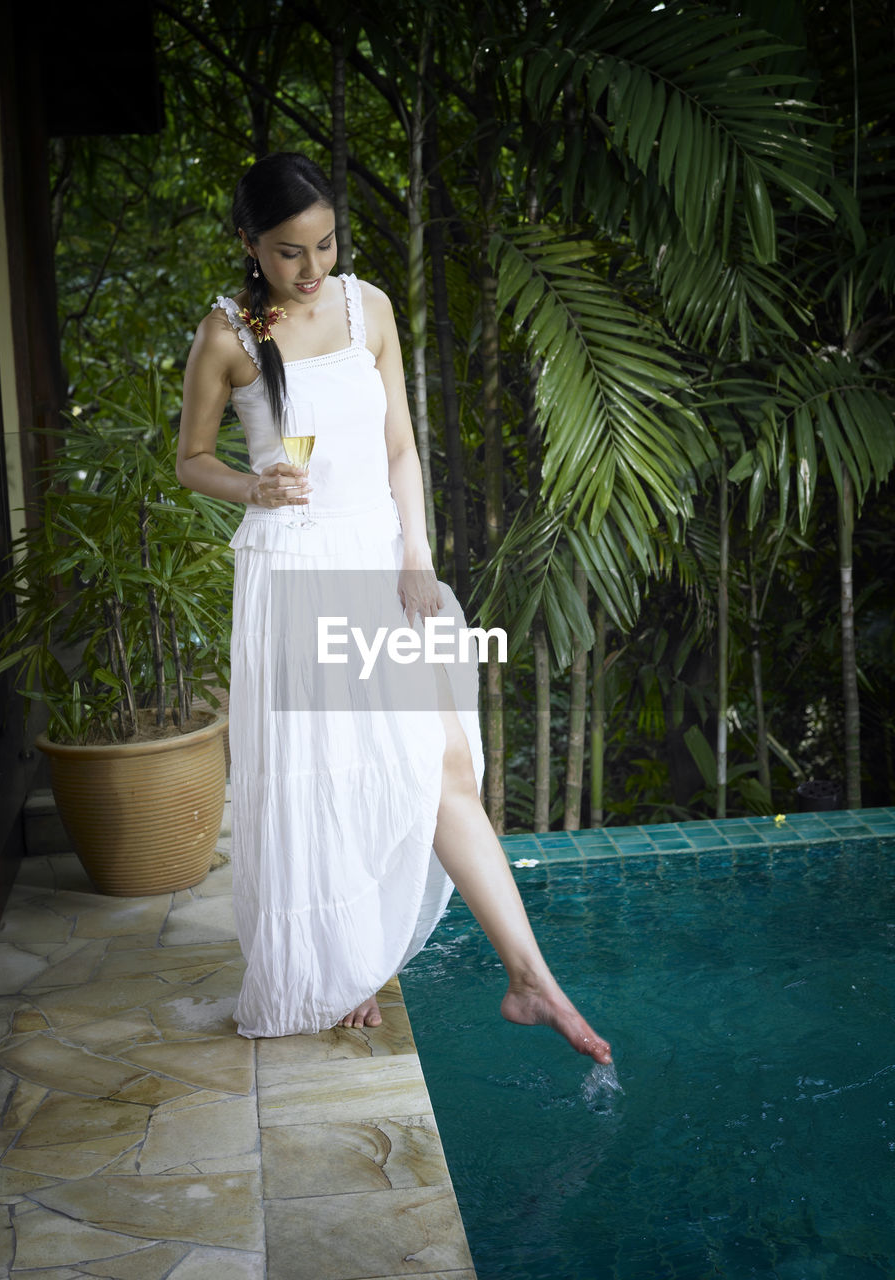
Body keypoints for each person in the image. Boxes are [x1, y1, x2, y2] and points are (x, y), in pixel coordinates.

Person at [177, 152, 611, 1064]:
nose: (313, 267)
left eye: (326, 243)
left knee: (443, 763)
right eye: (290, 253)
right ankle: (348, 965)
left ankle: (528, 978)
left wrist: (417, 559)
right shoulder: (227, 336)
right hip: (296, 569)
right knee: (337, 776)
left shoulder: (366, 309)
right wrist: (250, 489)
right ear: (250, 246)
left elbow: (403, 451)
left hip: (379, 560)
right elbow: (190, 462)